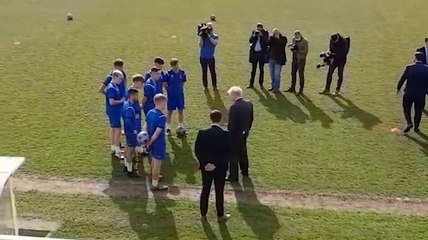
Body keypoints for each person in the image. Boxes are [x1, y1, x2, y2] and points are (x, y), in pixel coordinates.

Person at [195, 110, 233, 222]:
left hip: (206, 168)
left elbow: (197, 150)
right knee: (219, 191)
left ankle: (203, 215)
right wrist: (216, 164)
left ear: (210, 118)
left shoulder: (202, 133)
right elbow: (228, 153)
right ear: (220, 119)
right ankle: (220, 215)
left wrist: (205, 163)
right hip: (220, 168)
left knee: (205, 190)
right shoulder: (226, 135)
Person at [226, 86, 254, 181]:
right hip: (244, 133)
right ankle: (245, 171)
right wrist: (247, 130)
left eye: (230, 95)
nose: (230, 97)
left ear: (234, 95)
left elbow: (232, 124)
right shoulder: (249, 104)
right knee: (243, 152)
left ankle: (233, 176)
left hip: (235, 135)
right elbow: (251, 119)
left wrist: (229, 134)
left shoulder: (234, 107)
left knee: (233, 155)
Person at [397, 52, 428, 133]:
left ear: (415, 58)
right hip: (421, 94)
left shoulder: (409, 68)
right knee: (418, 111)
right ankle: (416, 127)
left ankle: (409, 122)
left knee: (406, 108)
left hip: (409, 93)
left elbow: (403, 79)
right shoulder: (426, 69)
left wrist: (398, 88)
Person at [145, 94, 169, 191]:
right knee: (157, 163)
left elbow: (145, 126)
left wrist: (146, 140)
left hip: (150, 140)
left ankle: (154, 176)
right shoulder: (162, 117)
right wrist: (149, 143)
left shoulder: (150, 112)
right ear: (162, 102)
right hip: (158, 143)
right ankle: (155, 184)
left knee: (154, 160)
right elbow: (157, 133)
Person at [105, 70, 126, 158]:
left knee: (113, 129)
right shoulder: (111, 88)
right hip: (113, 112)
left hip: (115, 111)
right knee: (117, 130)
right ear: (115, 77)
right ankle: (117, 151)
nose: (121, 81)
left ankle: (113, 147)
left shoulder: (115, 86)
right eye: (120, 79)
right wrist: (121, 101)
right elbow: (112, 102)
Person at [122, 88, 141, 177]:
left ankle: (126, 165)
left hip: (128, 131)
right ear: (132, 95)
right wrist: (134, 130)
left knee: (127, 147)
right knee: (131, 149)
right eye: (136, 95)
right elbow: (128, 121)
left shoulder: (126, 104)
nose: (137, 97)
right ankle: (130, 170)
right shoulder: (130, 108)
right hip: (131, 132)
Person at [165, 58, 187, 135]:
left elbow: (183, 82)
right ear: (172, 66)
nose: (177, 66)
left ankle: (180, 125)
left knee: (180, 110)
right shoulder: (168, 73)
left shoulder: (182, 73)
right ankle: (168, 128)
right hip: (171, 96)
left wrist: (179, 90)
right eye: (175, 65)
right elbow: (165, 84)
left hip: (180, 95)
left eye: (177, 64)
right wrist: (169, 91)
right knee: (170, 111)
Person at [126, 74, 145, 156]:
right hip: (134, 118)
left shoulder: (134, 91)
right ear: (136, 82)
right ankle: (133, 153)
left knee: (138, 131)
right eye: (141, 83)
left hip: (137, 116)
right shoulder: (131, 92)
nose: (142, 85)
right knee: (134, 133)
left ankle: (138, 149)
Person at [285, 30, 309, 95]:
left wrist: (298, 50)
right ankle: (292, 87)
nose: (296, 38)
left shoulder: (305, 41)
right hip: (294, 59)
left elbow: (306, 51)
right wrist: (292, 47)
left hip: (301, 60)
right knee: (293, 73)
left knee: (301, 74)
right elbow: (293, 45)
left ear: (300, 35)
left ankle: (301, 90)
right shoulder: (293, 39)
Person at [248, 23, 269, 89]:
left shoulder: (265, 33)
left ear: (262, 28)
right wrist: (254, 36)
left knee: (261, 70)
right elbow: (250, 41)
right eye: (258, 28)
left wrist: (261, 35)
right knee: (253, 70)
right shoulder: (254, 32)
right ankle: (251, 84)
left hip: (261, 54)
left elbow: (266, 42)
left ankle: (261, 84)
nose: (258, 29)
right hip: (255, 54)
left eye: (260, 28)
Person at [199, 22, 219, 90]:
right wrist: (202, 37)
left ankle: (214, 85)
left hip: (210, 57)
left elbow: (215, 43)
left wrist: (209, 35)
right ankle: (205, 86)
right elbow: (200, 45)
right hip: (203, 58)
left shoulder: (215, 36)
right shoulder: (203, 37)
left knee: (212, 72)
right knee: (204, 72)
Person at [267, 28, 287, 93]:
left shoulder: (283, 39)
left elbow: (281, 44)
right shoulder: (271, 39)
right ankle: (273, 86)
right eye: (274, 33)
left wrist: (277, 38)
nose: (275, 34)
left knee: (277, 74)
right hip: (271, 59)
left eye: (276, 33)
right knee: (272, 74)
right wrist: (271, 37)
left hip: (279, 60)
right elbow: (267, 43)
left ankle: (276, 88)